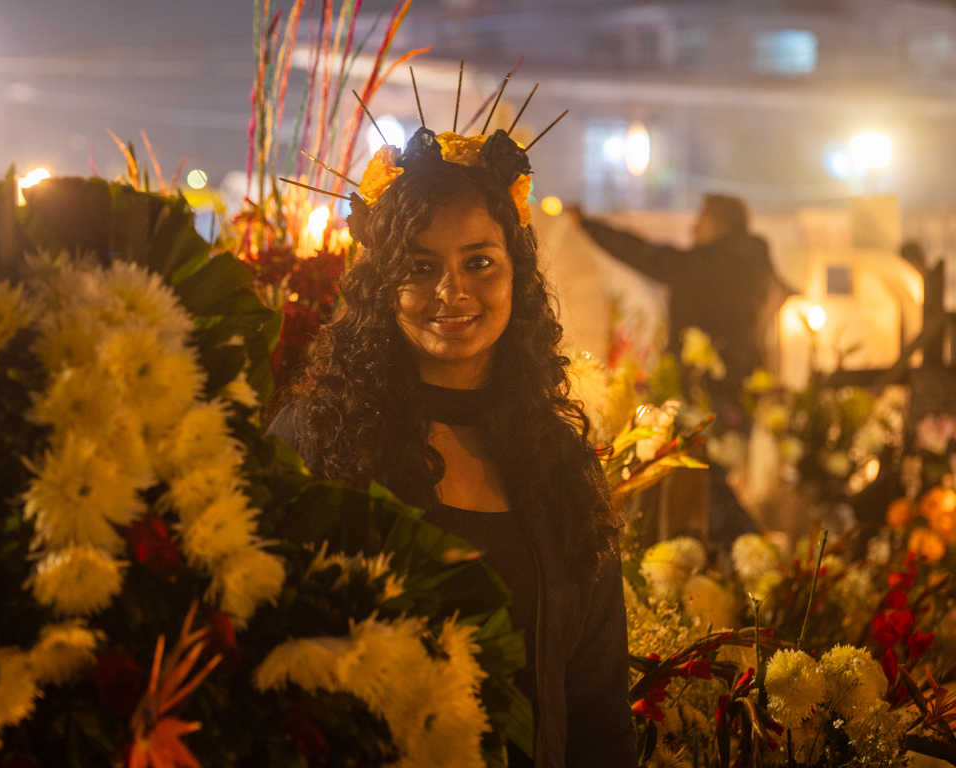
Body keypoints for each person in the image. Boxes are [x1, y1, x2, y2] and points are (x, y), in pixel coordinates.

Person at [269, 126, 638, 767]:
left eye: (479, 262)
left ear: (516, 273)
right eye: (420, 266)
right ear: (382, 284)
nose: (453, 291)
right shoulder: (313, 445)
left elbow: (598, 705)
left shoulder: (561, 464)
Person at [571, 194, 784, 417]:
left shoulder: (708, 266)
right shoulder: (756, 266)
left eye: (702, 219)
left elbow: (651, 256)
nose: (694, 227)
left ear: (720, 225)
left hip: (707, 392)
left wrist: (589, 226)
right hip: (745, 387)